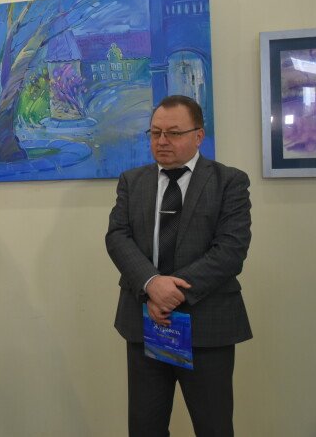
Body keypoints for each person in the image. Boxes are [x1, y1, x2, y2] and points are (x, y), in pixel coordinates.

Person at [106, 95, 252, 436]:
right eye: (155, 132)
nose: (162, 141)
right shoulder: (132, 181)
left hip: (207, 323)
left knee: (214, 426)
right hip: (146, 321)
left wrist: (171, 291)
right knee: (145, 427)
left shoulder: (229, 182)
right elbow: (117, 237)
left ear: (198, 136)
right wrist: (152, 284)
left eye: (173, 133)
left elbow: (231, 250)